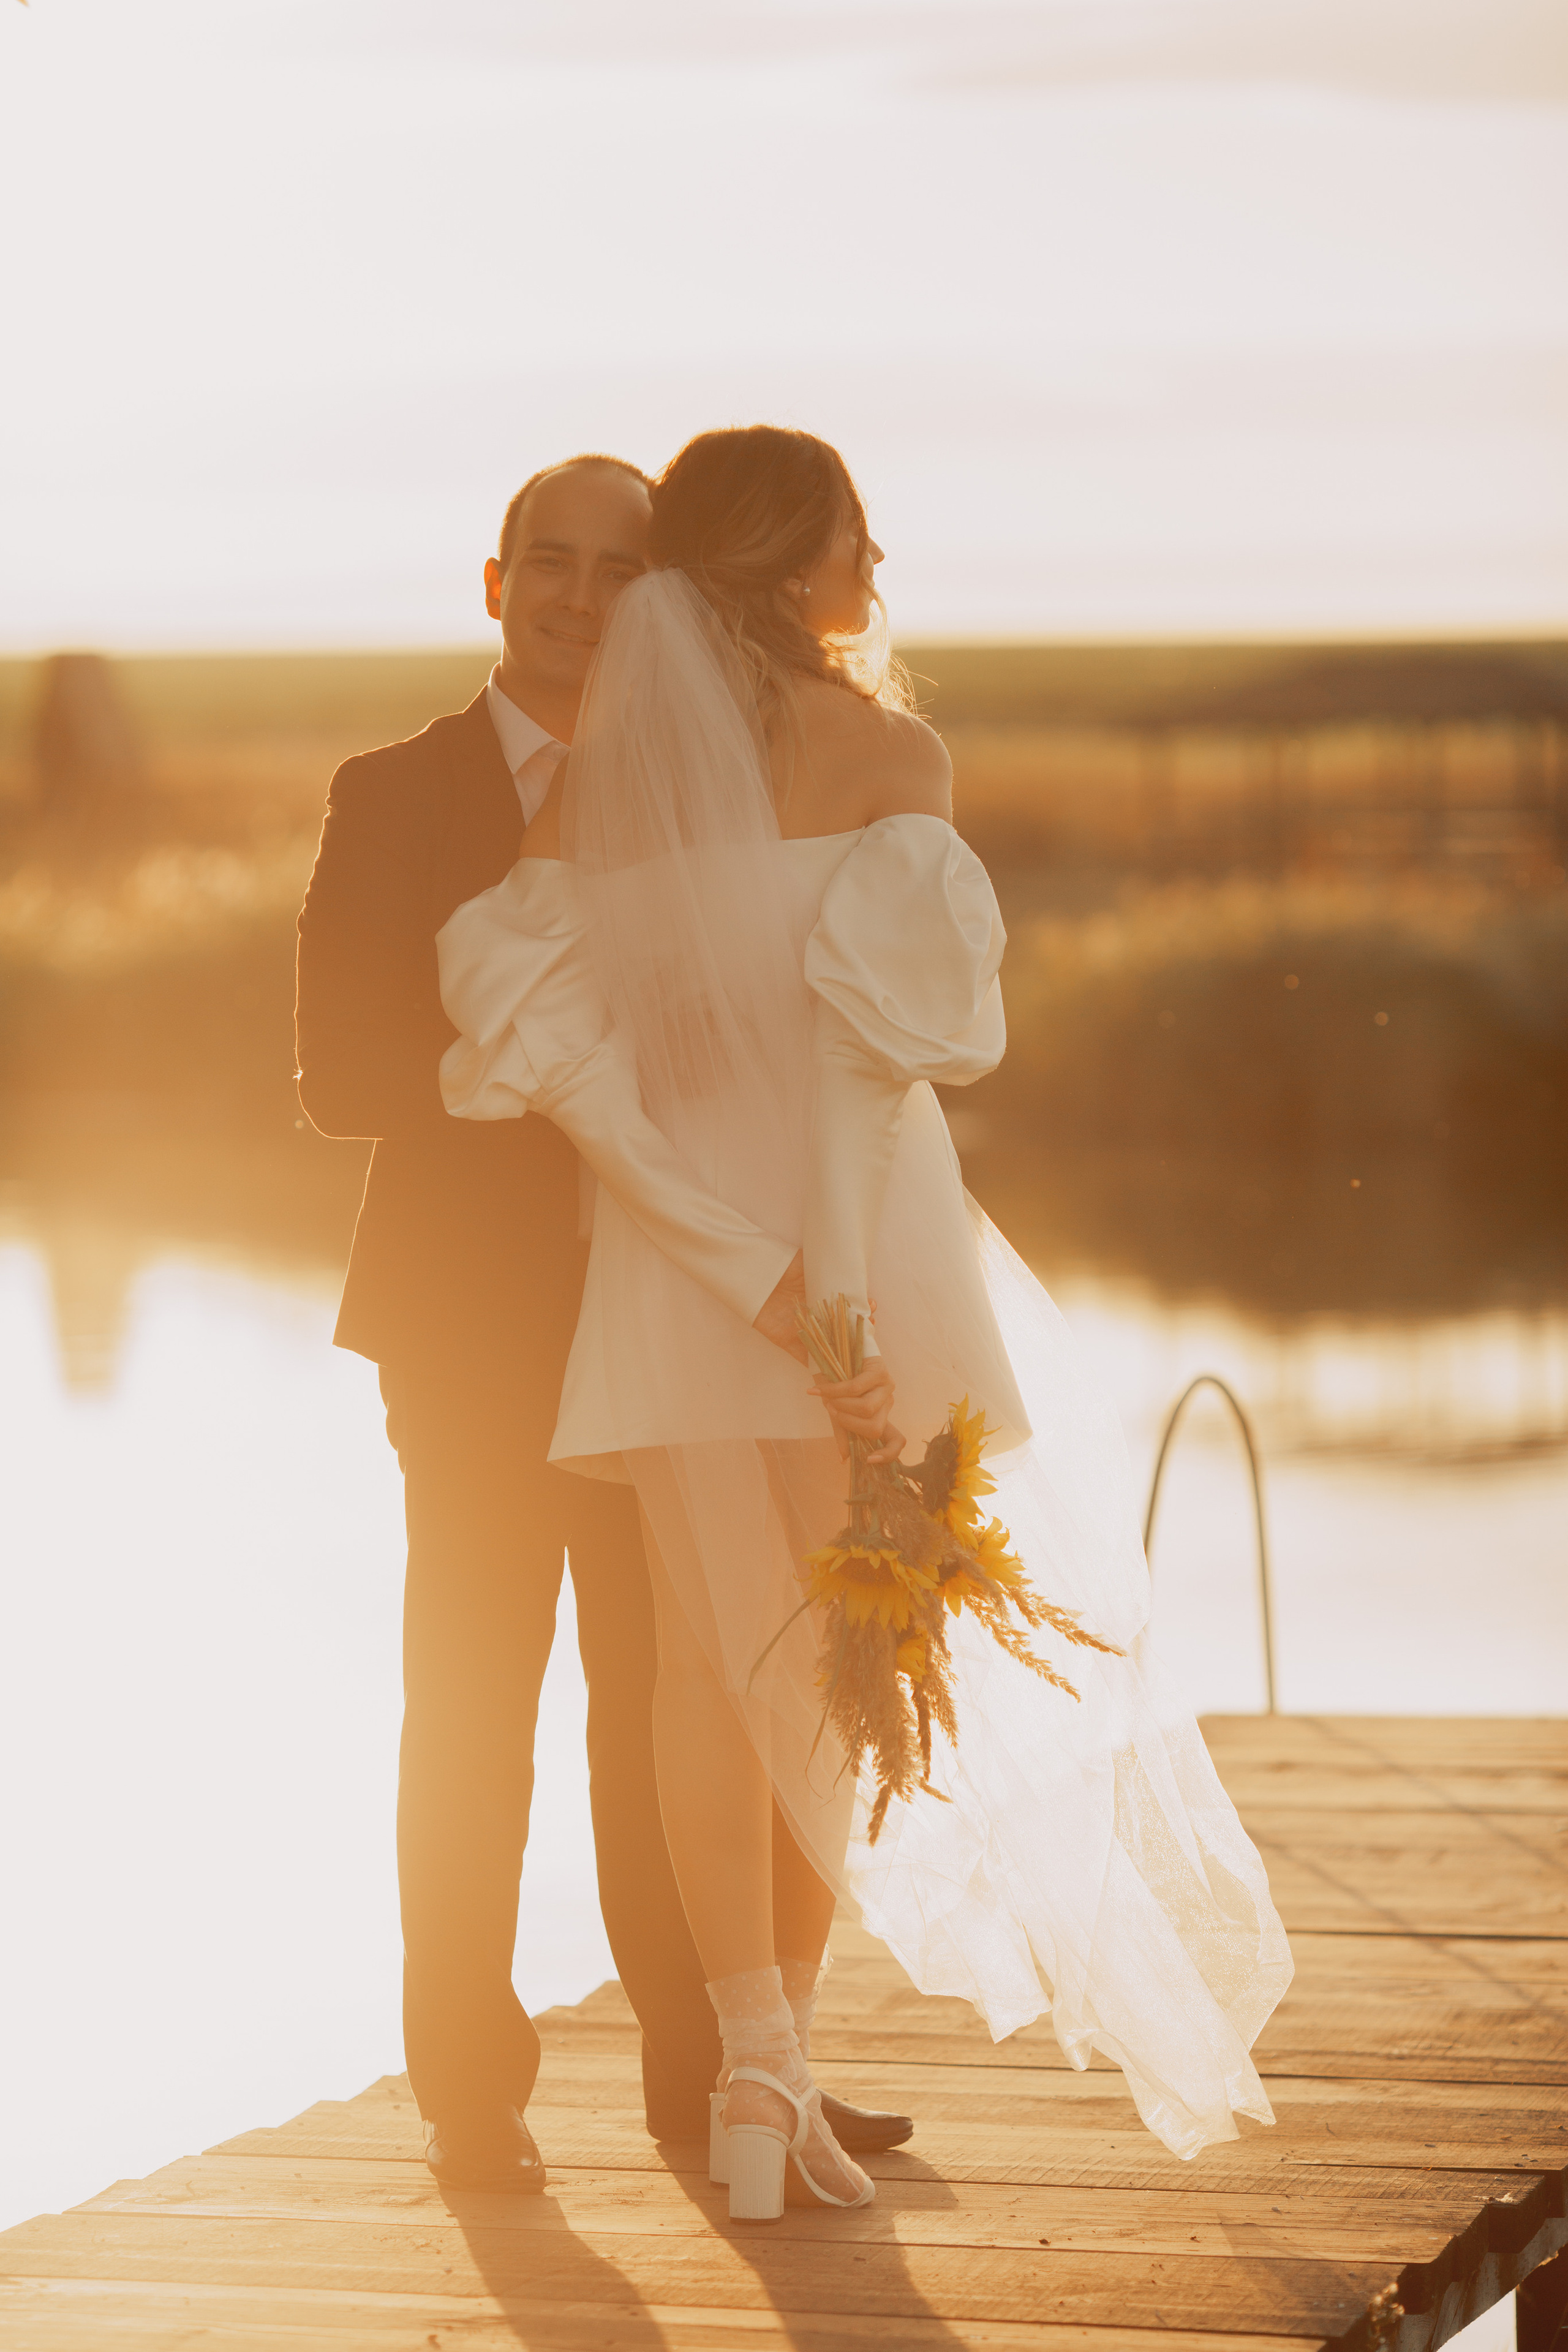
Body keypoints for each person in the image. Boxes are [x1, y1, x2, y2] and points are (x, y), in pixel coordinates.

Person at [437, 426, 1294, 2220]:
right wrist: (830, 1300)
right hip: (861, 1266)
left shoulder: (594, 774)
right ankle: (776, 2073)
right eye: (855, 538)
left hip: (679, 1266)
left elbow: (571, 1075)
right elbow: (881, 1061)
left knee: (698, 1666)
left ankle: (756, 2072)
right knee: (845, 1669)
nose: (877, 570)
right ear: (787, 564)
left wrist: (733, 1263)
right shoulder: (891, 751)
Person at [293, 453, 913, 2193]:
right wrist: (540, 1068)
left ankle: (725, 2073)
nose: (578, 598)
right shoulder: (392, 790)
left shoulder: (730, 775)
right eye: (545, 566)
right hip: (475, 1329)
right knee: (476, 1700)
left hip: (680, 1315)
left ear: (665, 598)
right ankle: (470, 2094)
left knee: (701, 1692)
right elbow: (340, 1075)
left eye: (616, 570)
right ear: (494, 587)